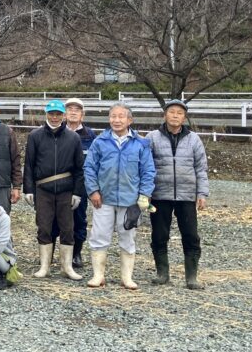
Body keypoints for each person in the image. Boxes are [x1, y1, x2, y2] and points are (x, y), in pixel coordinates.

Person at [83, 103, 156, 290]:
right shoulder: (99, 142)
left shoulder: (140, 143)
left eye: (121, 116)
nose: (116, 120)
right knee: (99, 236)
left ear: (129, 120)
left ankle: (127, 277)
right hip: (103, 199)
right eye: (113, 116)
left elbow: (148, 171)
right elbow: (89, 168)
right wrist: (93, 191)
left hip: (130, 200)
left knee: (128, 237)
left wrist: (144, 194)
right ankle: (98, 275)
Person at [147, 99, 209, 290]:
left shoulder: (193, 139)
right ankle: (162, 273)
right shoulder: (152, 137)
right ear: (164, 115)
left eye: (179, 113)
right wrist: (145, 192)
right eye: (172, 112)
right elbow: (145, 166)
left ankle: (191, 277)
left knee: (191, 235)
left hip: (186, 195)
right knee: (159, 235)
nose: (175, 116)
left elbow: (201, 168)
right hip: (160, 195)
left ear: (184, 117)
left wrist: (202, 193)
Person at [23, 100, 85, 281]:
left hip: (66, 189)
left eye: (58, 114)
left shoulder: (73, 138)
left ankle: (67, 267)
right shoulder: (35, 136)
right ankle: (45, 266)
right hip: (43, 189)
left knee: (68, 228)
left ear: (63, 115)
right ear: (46, 114)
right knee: (44, 227)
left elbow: (79, 168)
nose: (55, 117)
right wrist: (28, 189)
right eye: (52, 114)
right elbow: (29, 164)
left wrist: (77, 192)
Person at [52, 97, 97, 271]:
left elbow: (95, 162)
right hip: (58, 183)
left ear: (82, 115)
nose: (73, 112)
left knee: (79, 218)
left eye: (77, 110)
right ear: (64, 114)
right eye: (69, 109)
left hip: (80, 184)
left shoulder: (90, 136)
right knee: (53, 218)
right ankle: (50, 253)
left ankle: (76, 253)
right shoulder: (55, 131)